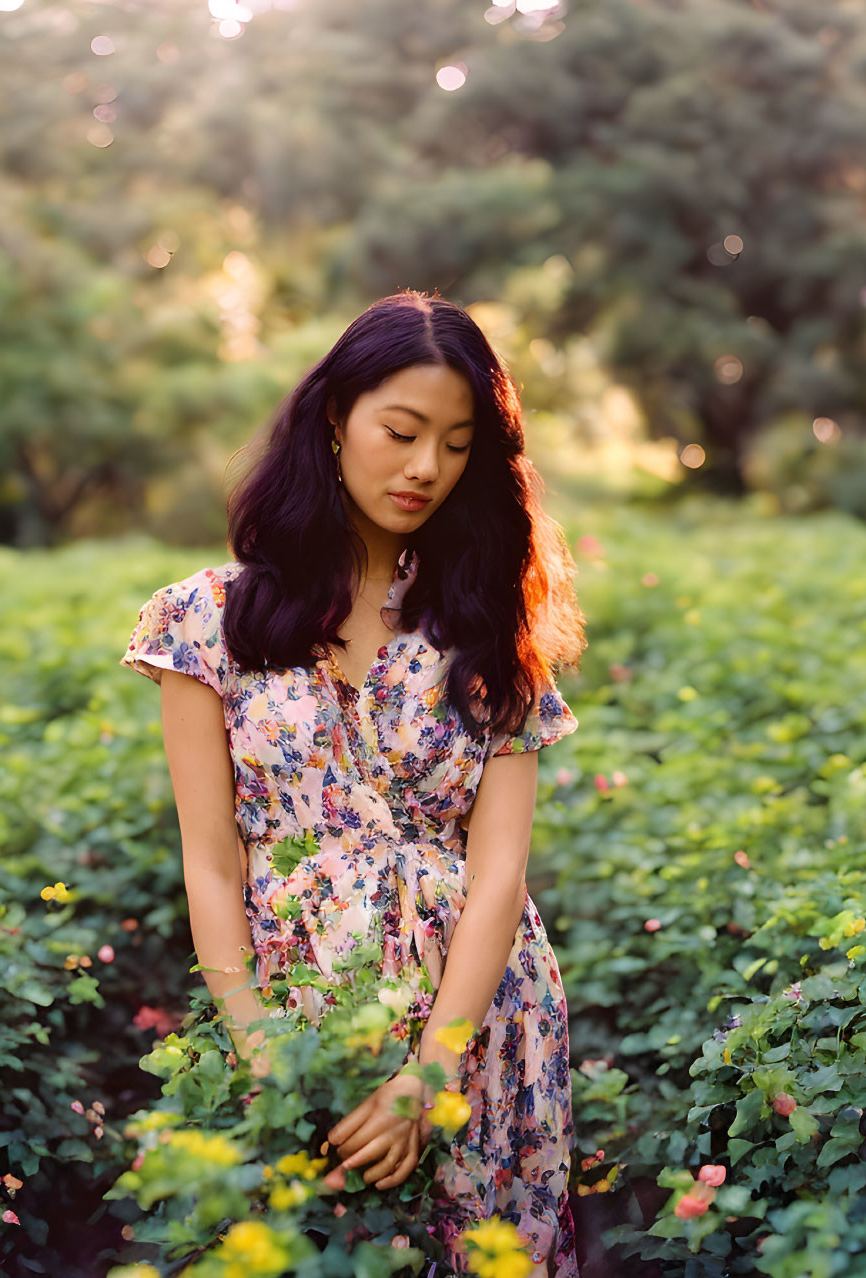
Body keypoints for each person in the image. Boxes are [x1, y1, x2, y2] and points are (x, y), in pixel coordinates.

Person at [118, 289, 587, 1276]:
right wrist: (264, 1061)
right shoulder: (206, 619)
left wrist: (430, 1075)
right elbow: (210, 860)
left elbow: (498, 875)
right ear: (335, 421)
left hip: (475, 1030)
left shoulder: (488, 631)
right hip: (293, 1017)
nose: (425, 468)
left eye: (457, 445)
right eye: (401, 431)